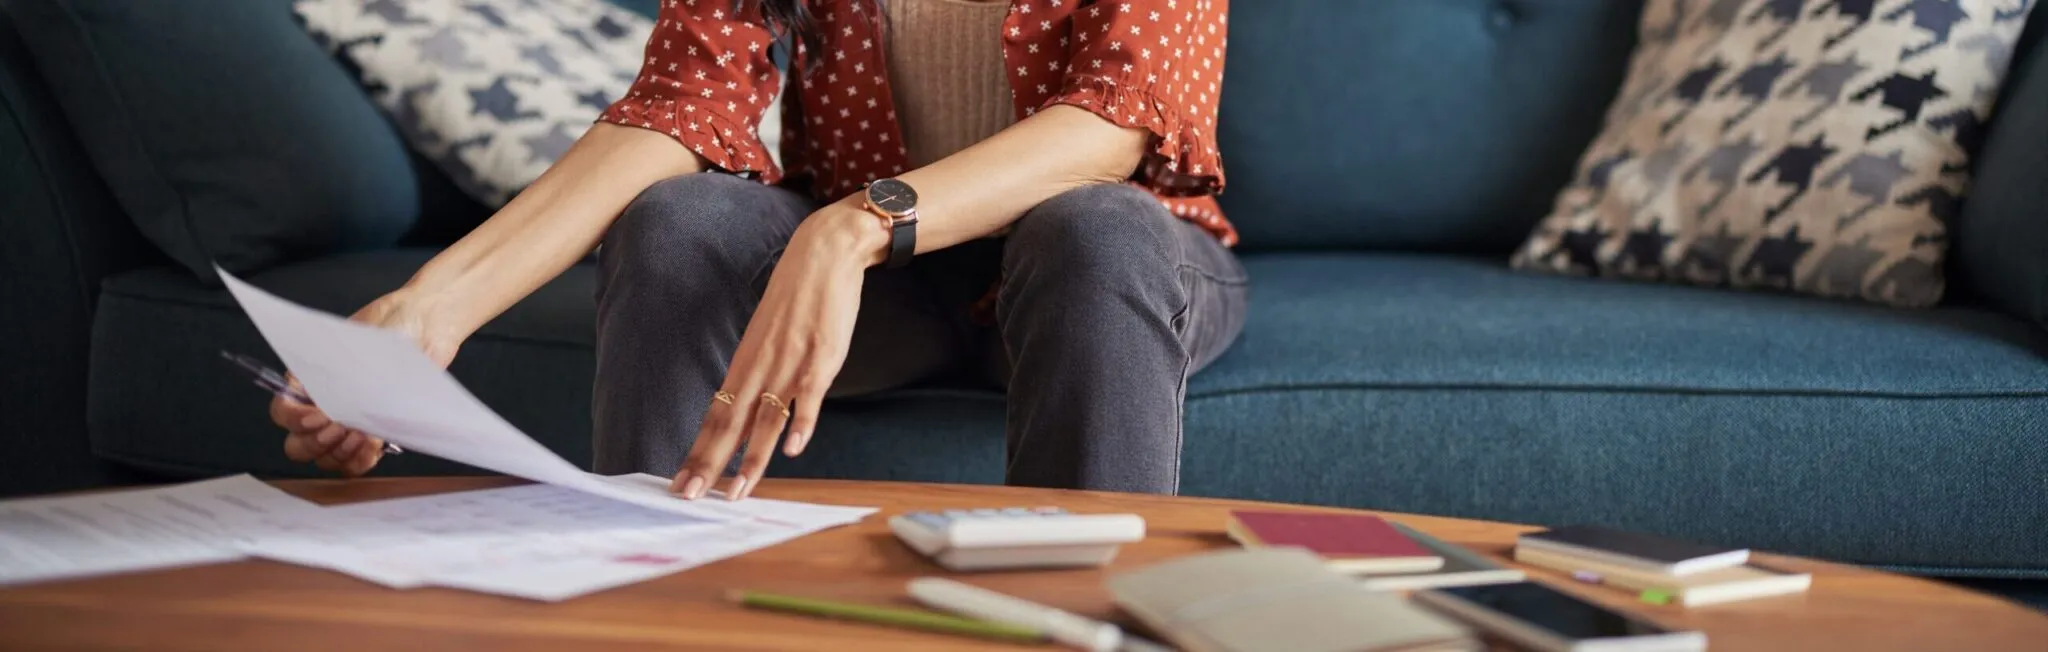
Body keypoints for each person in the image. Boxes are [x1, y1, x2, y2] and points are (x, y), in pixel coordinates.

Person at [270, 0, 1244, 499]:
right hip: (883, 292)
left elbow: (1111, 127)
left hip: (1094, 267)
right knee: (679, 218)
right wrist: (430, 307)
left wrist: (852, 225)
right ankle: (644, 593)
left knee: (1095, 227)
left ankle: (1095, 622)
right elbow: (674, 109)